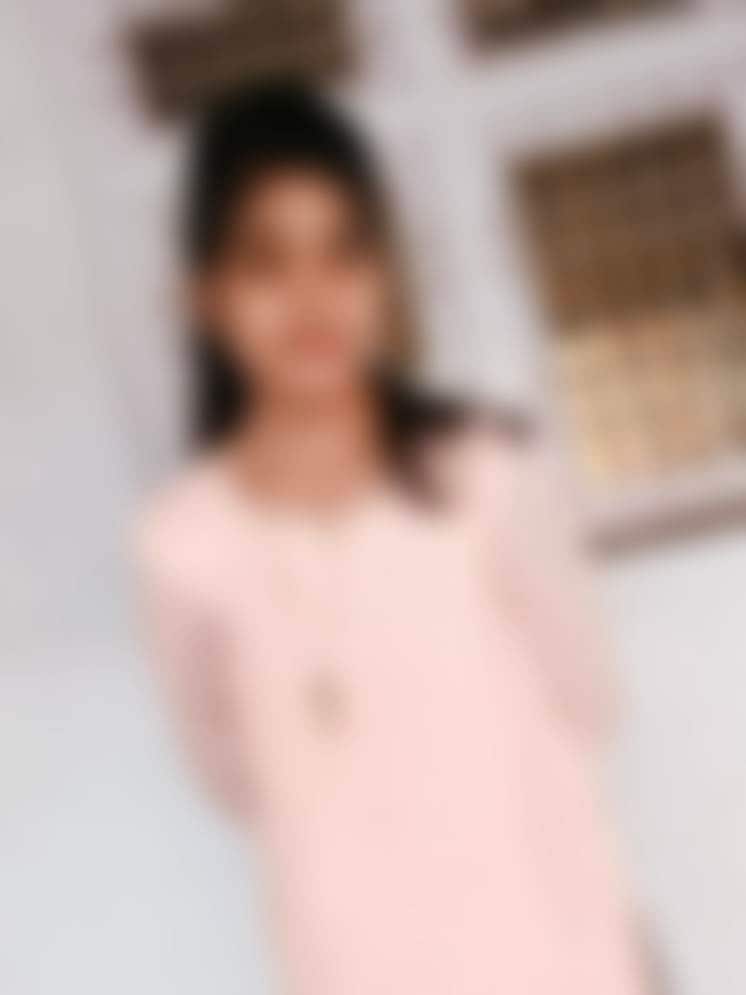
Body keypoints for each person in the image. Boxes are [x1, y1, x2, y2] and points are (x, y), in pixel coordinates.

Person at [136, 81, 648, 995]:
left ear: (385, 273)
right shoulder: (185, 544)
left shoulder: (485, 476)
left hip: (559, 962)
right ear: (204, 296)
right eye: (266, 260)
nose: (313, 297)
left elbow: (591, 699)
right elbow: (230, 774)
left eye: (345, 251)